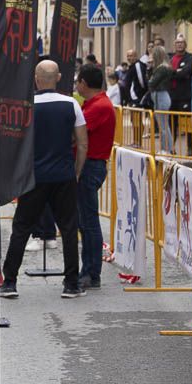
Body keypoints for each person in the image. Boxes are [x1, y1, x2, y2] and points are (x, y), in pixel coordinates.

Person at [0, 61, 88, 300]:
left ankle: (9, 282)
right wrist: (76, 171)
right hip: (63, 175)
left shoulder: (27, 107)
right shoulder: (71, 104)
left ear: (36, 79)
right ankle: (71, 284)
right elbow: (82, 143)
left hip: (33, 177)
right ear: (58, 77)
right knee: (69, 229)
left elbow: (15, 144)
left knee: (21, 228)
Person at [76, 63, 115, 290]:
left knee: (89, 222)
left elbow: (77, 132)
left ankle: (91, 273)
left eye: (78, 81)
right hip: (90, 165)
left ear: (83, 83)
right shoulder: (93, 104)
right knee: (85, 221)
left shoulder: (99, 106)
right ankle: (88, 271)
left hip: (90, 166)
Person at [169, 33, 192, 151]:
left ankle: (190, 147)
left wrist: (173, 72)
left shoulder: (190, 58)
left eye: (181, 43)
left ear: (185, 45)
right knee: (172, 124)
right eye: (177, 43)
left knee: (186, 123)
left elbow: (186, 72)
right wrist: (177, 72)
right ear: (175, 45)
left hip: (184, 96)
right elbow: (166, 73)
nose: (179, 45)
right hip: (172, 96)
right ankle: (171, 147)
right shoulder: (171, 58)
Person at [147, 45, 174, 153]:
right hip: (160, 96)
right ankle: (166, 148)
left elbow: (151, 82)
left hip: (161, 96)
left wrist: (150, 74)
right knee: (163, 125)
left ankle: (166, 148)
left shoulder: (162, 68)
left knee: (163, 125)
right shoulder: (161, 68)